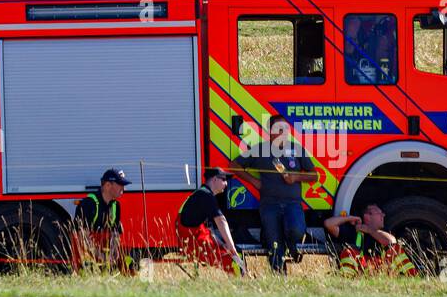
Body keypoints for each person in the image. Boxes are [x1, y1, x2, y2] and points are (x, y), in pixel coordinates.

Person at [233, 115, 316, 274]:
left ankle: (291, 245)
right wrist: (254, 181)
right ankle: (279, 277)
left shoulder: (296, 149)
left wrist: (296, 177)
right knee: (274, 244)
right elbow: (234, 165)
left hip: (293, 204)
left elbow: (314, 176)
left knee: (296, 230)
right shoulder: (260, 149)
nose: (284, 132)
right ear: (270, 132)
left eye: (286, 129)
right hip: (269, 205)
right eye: (279, 129)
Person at [176, 168, 244, 275]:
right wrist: (232, 248)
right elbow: (221, 221)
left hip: (193, 237)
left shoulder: (202, 194)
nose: (226, 184)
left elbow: (208, 229)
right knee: (231, 258)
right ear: (214, 180)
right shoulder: (206, 196)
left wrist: (222, 243)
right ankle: (240, 284)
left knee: (229, 252)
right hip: (192, 240)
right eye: (223, 180)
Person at [323, 204, 417, 277]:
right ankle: (346, 281)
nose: (383, 215)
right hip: (360, 272)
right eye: (379, 212)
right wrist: (351, 218)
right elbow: (329, 224)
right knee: (349, 252)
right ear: (367, 217)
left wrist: (369, 230)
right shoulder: (354, 231)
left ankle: (411, 278)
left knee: (396, 249)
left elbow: (391, 242)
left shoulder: (383, 232)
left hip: (382, 272)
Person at [71, 168, 131, 273]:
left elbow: (115, 235)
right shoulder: (89, 203)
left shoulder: (116, 206)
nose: (123, 189)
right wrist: (99, 256)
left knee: (129, 261)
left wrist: (112, 254)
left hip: (103, 252)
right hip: (86, 252)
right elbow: (82, 236)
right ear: (107, 185)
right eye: (120, 185)